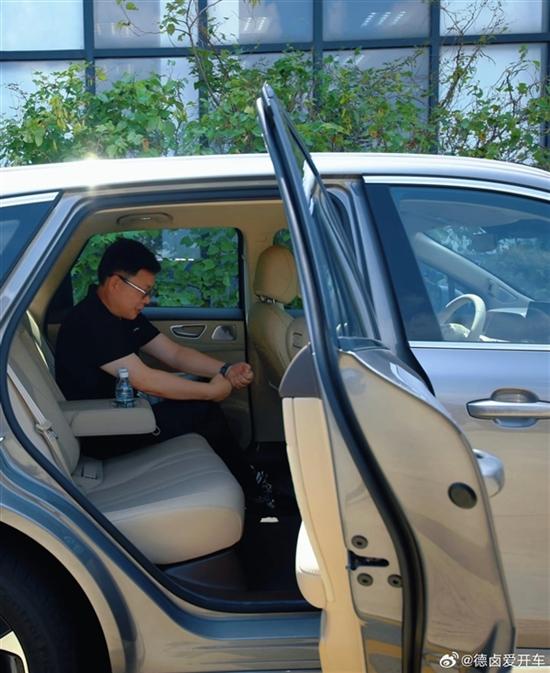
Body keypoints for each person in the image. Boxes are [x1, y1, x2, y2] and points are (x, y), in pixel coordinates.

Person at [55, 238, 264, 502]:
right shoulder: (90, 322)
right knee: (204, 412)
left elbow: (174, 354)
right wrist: (211, 392)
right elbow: (145, 380)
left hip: (125, 413)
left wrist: (225, 369)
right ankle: (253, 494)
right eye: (143, 291)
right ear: (116, 283)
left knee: (201, 393)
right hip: (103, 430)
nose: (147, 299)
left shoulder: (120, 315)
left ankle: (246, 481)